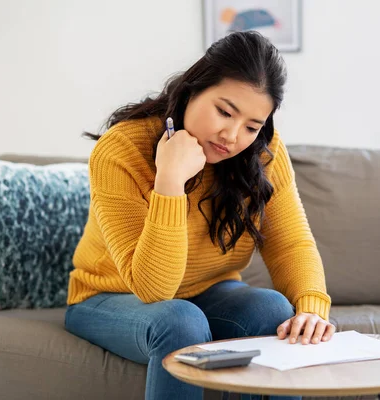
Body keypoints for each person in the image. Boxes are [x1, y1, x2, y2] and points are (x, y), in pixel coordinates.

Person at [64, 31, 334, 400]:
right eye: (224, 111)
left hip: (208, 291)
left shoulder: (262, 152)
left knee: (273, 309)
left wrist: (311, 308)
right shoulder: (122, 149)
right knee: (179, 320)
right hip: (109, 296)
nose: (232, 135)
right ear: (193, 89)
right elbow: (153, 289)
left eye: (252, 126)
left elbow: (290, 242)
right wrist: (170, 180)